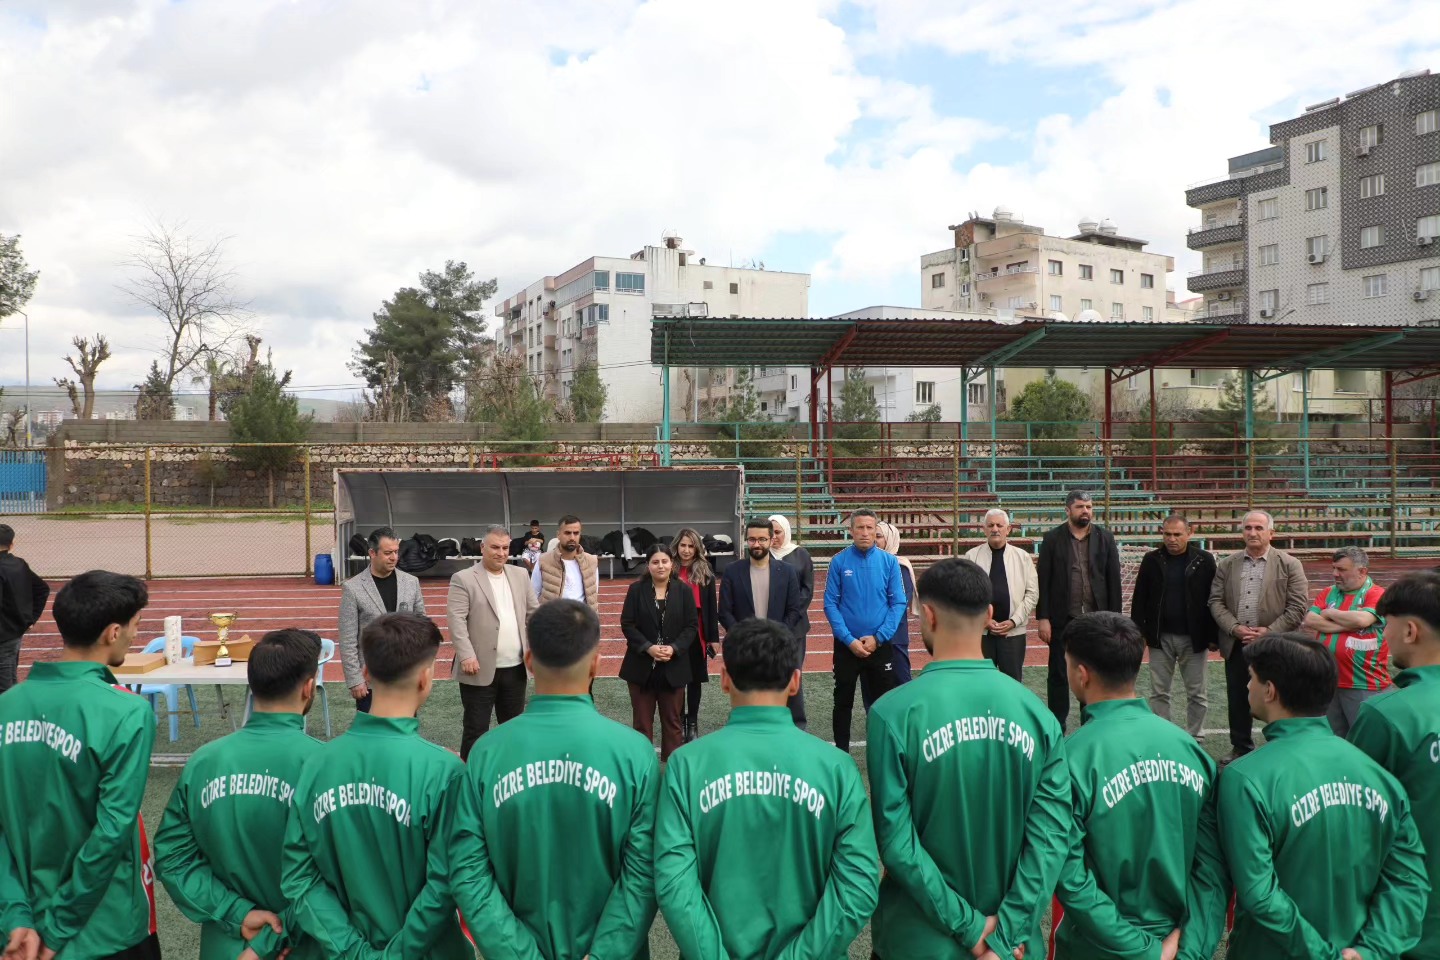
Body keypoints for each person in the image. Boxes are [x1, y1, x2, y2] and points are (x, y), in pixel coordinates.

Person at [867, 558, 1069, 960]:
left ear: (926, 615)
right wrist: (1002, 933)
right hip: (1008, 946)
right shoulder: (1038, 715)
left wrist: (971, 928)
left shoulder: (892, 712)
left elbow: (896, 845)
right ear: (990, 614)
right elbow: (1049, 841)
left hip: (917, 942)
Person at [655, 618, 879, 958]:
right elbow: (858, 886)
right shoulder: (837, 768)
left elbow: (675, 885)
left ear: (725, 678)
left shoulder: (686, 764)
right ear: (794, 682)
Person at [450, 599, 659, 960]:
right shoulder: (635, 753)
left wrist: (517, 953)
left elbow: (468, 871)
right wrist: (605, 953)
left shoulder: (485, 752)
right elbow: (644, 871)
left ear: (529, 662)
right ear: (595, 664)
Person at [1218, 633, 1427, 959]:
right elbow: (1409, 881)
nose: (1247, 687)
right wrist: (1372, 951)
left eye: (1252, 679)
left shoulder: (1245, 777)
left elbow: (1259, 894)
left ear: (1270, 691)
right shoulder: (1380, 777)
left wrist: (1322, 954)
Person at [281, 613, 470, 959]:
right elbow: (447, 881)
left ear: (366, 673)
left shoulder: (317, 764)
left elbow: (299, 877)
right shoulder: (445, 771)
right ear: (426, 678)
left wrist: (351, 949)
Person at [0, 570, 157, 960]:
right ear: (112, 632)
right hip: (104, 933)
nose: (136, 636)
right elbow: (110, 833)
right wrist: (56, 929)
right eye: (136, 626)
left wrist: (17, 916)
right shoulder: (128, 711)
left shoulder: (6, 706)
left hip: (21, 935)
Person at [1052, 612, 1227, 960]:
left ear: (1081, 674)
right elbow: (1212, 870)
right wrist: (1190, 950)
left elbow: (1070, 876)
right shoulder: (1191, 750)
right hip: (1180, 945)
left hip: (1099, 947)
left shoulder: (1070, 757)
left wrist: (1142, 950)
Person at [154, 629, 324, 960]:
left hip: (228, 947)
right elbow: (335, 877)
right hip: (302, 946)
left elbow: (172, 857)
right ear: (308, 687)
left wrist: (237, 912)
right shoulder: (323, 765)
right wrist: (271, 940)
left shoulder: (204, 761)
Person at [1348, 571, 1440, 959]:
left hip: (1409, 925)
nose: (1383, 637)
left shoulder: (1388, 714)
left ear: (1410, 632)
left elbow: (1356, 826)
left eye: (1387, 627)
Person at [1207, 510, 1310, 765]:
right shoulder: (1227, 564)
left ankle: (1282, 748)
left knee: (1280, 697)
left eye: (1259, 528)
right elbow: (1216, 601)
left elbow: (1297, 606)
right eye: (1248, 528)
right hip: (1237, 644)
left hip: (1275, 646)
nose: (1252, 533)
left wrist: (1269, 632)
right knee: (1238, 698)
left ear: (1271, 533)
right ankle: (1241, 747)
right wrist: (1234, 628)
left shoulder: (1289, 564)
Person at [447, 524, 540, 761]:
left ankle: (509, 777)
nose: (500, 553)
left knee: (513, 731)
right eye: (495, 547)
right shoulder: (463, 578)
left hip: (516, 668)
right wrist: (466, 655)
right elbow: (456, 620)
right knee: (475, 731)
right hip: (477, 668)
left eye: (505, 548)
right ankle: (469, 778)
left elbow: (534, 614)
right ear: (483, 547)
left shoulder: (520, 575)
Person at [1036, 489, 1123, 730]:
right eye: (1080, 507)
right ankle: (1057, 726)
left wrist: (1115, 618)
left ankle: (1091, 724)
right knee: (1058, 674)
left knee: (1094, 674)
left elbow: (1113, 580)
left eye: (1089, 507)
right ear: (1067, 510)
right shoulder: (1052, 539)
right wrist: (1043, 617)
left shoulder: (1105, 538)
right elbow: (1044, 579)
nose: (1086, 511)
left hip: (1097, 620)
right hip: (1063, 619)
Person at [825, 509, 908, 753]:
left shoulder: (889, 562)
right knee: (843, 702)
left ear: (875, 530)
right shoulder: (839, 562)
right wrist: (848, 640)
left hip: (879, 647)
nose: (865, 533)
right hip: (847, 647)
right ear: (851, 531)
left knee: (882, 704)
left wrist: (878, 637)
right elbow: (830, 603)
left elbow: (899, 603)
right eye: (859, 528)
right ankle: (842, 752)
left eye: (870, 528)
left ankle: (881, 751)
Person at [1130, 514, 1219, 740]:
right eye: (1167, 534)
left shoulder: (1205, 560)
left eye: (1177, 534)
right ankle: (1163, 735)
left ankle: (1196, 735)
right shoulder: (1151, 560)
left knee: (1197, 693)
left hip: (1194, 638)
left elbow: (1214, 599)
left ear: (1190, 533)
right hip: (1160, 638)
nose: (1171, 539)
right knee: (1159, 692)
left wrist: (1212, 635)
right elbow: (1140, 597)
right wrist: (1138, 631)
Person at [719, 520, 807, 724]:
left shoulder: (787, 571)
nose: (756, 544)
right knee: (748, 691)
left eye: (761, 539)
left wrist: (777, 637)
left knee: (788, 690)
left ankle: (797, 728)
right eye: (752, 539)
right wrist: (743, 637)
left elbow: (794, 610)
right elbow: (724, 611)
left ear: (771, 539)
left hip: (779, 643)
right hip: (745, 645)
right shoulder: (733, 570)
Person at [619, 544, 697, 762]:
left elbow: (691, 626)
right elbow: (628, 624)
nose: (660, 566)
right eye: (655, 562)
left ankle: (672, 769)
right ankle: (643, 770)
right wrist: (648, 648)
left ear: (672, 564)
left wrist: (674, 648)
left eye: (664, 561)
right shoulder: (636, 590)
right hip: (641, 667)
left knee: (673, 722)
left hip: (674, 666)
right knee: (642, 724)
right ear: (648, 565)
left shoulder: (684, 591)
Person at [339, 526, 427, 714]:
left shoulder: (411, 583)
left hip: (406, 678)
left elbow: (423, 629)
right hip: (370, 683)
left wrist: (421, 670)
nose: (394, 557)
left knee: (405, 736)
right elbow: (347, 640)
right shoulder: (352, 588)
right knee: (371, 740)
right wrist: (355, 680)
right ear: (372, 553)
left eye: (396, 552)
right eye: (388, 553)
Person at [1303, 546, 1389, 736]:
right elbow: (1310, 620)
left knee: (1364, 741)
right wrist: (1348, 625)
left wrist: (1330, 613)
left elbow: (1362, 620)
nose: (1335, 574)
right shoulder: (1328, 592)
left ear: (1362, 571)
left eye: (1341, 569)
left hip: (1363, 682)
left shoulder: (1376, 593)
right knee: (1333, 739)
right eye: (1333, 568)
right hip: (1329, 681)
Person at [963, 508, 1038, 682]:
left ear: (1008, 529)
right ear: (984, 529)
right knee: (981, 682)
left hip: (1013, 633)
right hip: (980, 634)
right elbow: (965, 594)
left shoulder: (1023, 557)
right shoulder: (971, 557)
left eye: (999, 525)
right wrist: (984, 621)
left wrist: (1014, 621)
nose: (995, 529)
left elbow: (1032, 593)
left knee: (1012, 683)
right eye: (990, 525)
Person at [769, 514, 815, 728]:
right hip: (767, 628)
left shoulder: (800, 554)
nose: (774, 537)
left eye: (778, 532)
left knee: (793, 673)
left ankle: (797, 723)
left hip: (794, 628)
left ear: (786, 531)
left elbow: (807, 590)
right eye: (771, 532)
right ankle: (770, 720)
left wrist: (789, 618)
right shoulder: (761, 555)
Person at [674, 527, 719, 743]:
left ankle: (692, 722)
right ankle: (679, 720)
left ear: (697, 548)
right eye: (683, 545)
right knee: (676, 678)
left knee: (694, 680)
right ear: (677, 546)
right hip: (673, 630)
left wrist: (713, 638)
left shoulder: (704, 569)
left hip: (698, 631)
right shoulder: (669, 567)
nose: (686, 550)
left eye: (691, 546)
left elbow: (711, 606)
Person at [0, 523, 49, 694]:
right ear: (11, 544)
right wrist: (31, 619)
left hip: (4, 636)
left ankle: (10, 717)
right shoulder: (19, 564)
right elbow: (42, 589)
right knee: (10, 677)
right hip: (16, 631)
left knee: (4, 686)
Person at [870, 521, 917, 697]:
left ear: (890, 539)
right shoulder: (868, 564)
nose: (874, 540)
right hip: (871, 636)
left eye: (879, 536)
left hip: (893, 637)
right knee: (874, 685)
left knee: (900, 684)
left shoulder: (900, 566)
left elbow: (900, 602)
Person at [532, 515, 599, 611]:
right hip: (552, 621)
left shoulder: (592, 562)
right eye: (567, 533)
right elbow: (534, 594)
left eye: (576, 533)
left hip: (582, 622)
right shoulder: (543, 560)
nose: (572, 537)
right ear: (558, 535)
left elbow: (593, 595)